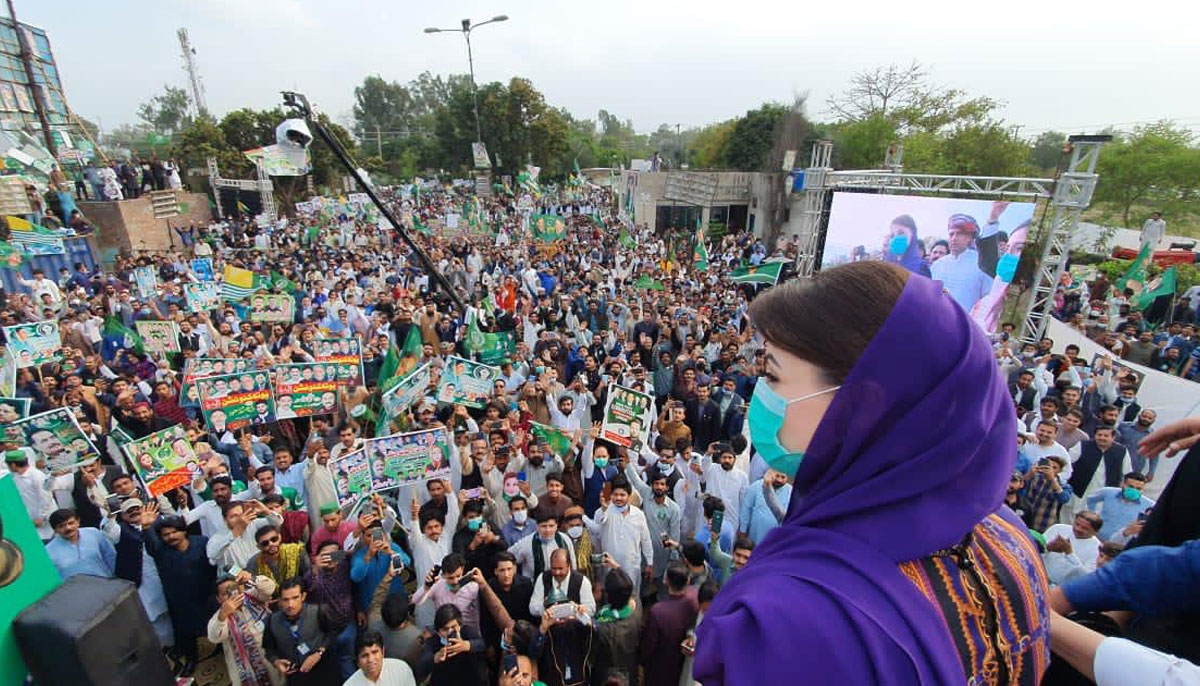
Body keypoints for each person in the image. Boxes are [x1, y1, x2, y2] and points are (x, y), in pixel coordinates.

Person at [696, 263, 1050, 685]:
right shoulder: (1006, 537)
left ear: (861, 406)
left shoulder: (789, 623)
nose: (761, 397)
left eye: (773, 376)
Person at [262, 577, 341, 685]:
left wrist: (319, 652)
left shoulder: (318, 612)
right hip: (295, 676)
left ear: (303, 596)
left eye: (295, 598)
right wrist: (276, 662)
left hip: (323, 671)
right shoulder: (272, 621)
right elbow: (269, 648)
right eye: (286, 600)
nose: (290, 604)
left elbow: (332, 634)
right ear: (279, 600)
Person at [208, 572, 282, 686]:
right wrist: (223, 615)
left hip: (272, 658)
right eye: (225, 594)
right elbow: (213, 637)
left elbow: (270, 588)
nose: (232, 595)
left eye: (233, 589)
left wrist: (251, 578)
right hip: (248, 669)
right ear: (219, 599)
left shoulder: (253, 596)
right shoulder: (220, 616)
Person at [640, 562, 699, 686]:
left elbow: (648, 645)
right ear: (688, 581)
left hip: (660, 670)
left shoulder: (658, 611)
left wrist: (641, 659)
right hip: (683, 665)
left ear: (666, 581)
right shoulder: (695, 597)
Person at [414, 604, 488, 686]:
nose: (450, 632)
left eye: (453, 627)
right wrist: (435, 657)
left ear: (459, 625)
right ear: (438, 631)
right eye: (445, 629)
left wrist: (467, 645)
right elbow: (420, 667)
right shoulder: (432, 643)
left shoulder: (467, 632)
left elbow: (484, 645)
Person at [45, 507, 115, 579]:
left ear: (78, 522)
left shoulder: (93, 533)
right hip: (74, 589)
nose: (68, 528)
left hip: (105, 584)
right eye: (61, 526)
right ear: (55, 530)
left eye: (71, 523)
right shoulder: (48, 551)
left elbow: (110, 557)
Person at [1085, 472, 1156, 541]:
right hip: (1099, 538)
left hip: (1121, 544)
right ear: (1123, 484)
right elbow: (1090, 500)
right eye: (1131, 486)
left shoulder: (1150, 505)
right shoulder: (1108, 492)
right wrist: (1093, 516)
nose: (1134, 490)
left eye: (1138, 489)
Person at [1042, 511, 1104, 586]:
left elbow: (1086, 578)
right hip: (1038, 576)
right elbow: (1033, 550)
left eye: (1084, 528)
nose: (1078, 529)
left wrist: (1069, 553)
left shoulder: (1097, 549)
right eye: (1077, 524)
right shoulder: (1058, 528)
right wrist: (1047, 548)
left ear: (1095, 532)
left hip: (1061, 590)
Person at [343, 631, 418, 686]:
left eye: (374, 652)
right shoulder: (350, 684)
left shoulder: (401, 670)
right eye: (365, 655)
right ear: (358, 661)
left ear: (383, 652)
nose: (371, 659)